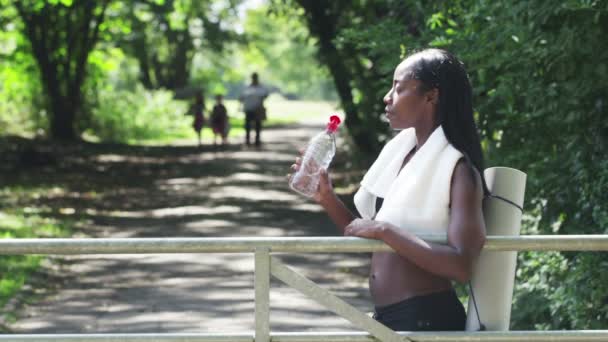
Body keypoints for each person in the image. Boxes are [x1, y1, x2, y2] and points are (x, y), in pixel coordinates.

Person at [290, 48, 488, 331]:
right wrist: (328, 198)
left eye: (399, 88)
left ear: (431, 96)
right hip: (390, 318)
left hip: (426, 320)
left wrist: (385, 230)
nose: (387, 97)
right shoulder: (404, 155)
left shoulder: (459, 170)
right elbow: (367, 235)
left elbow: (461, 266)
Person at [239, 72, 269, 147]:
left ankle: (257, 141)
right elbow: (241, 97)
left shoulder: (261, 87)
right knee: (247, 125)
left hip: (257, 109)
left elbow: (265, 95)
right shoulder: (247, 87)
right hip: (248, 108)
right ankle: (248, 141)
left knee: (258, 125)